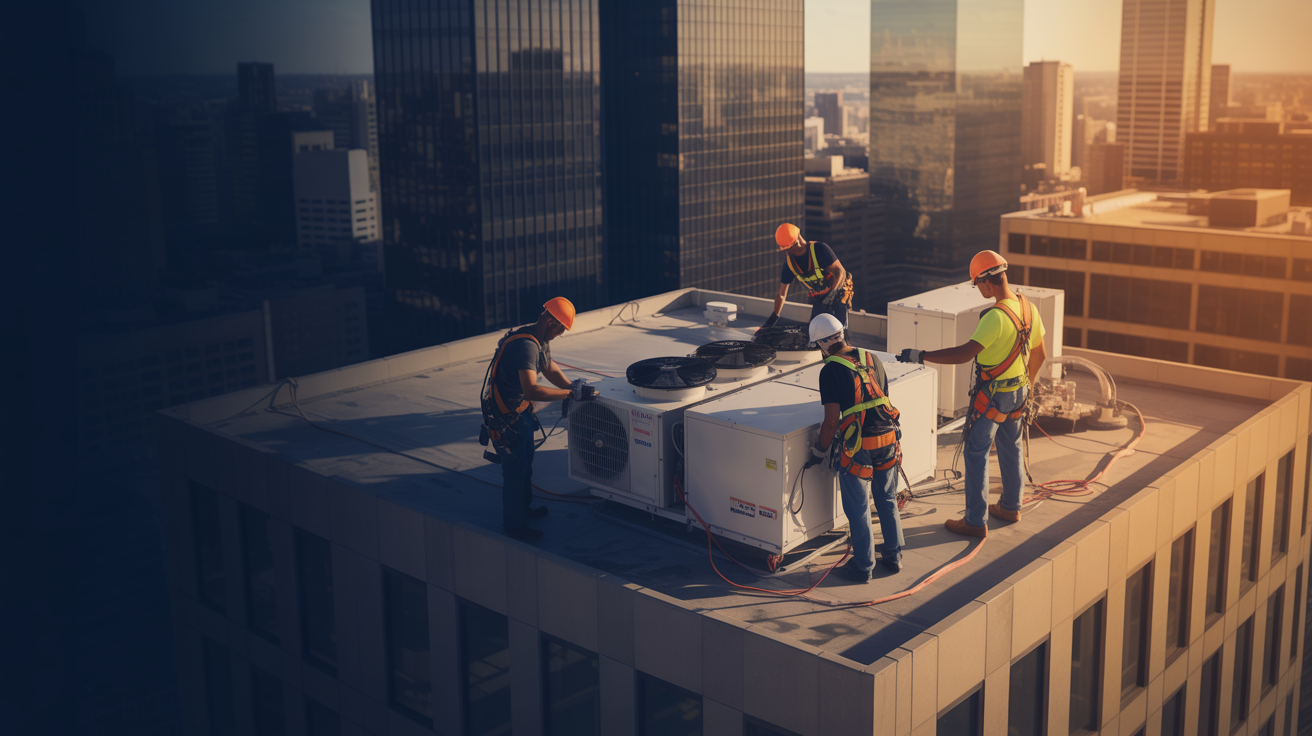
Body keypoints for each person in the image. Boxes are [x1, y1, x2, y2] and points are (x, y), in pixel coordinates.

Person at [896, 250, 1046, 538]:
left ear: (988, 282)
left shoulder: (996, 317)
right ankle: (1011, 506)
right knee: (1011, 445)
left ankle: (975, 522)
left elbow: (964, 354)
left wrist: (921, 354)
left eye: (977, 285)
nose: (978, 290)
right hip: (1019, 389)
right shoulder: (1028, 307)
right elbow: (1040, 353)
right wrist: (1027, 386)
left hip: (994, 395)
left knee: (976, 453)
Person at [480, 297, 597, 542]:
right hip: (507, 418)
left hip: (519, 414)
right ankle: (514, 525)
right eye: (561, 329)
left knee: (525, 465)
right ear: (551, 322)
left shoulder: (537, 339)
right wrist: (569, 394)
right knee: (514, 472)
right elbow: (532, 389)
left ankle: (524, 510)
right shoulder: (526, 346)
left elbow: (548, 366)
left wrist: (572, 385)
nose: (560, 334)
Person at [805, 313, 905, 580]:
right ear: (842, 333)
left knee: (859, 507)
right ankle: (894, 556)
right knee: (886, 499)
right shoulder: (872, 357)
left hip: (858, 446)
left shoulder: (829, 371)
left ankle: (864, 566)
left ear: (821, 344)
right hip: (887, 438)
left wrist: (819, 451)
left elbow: (830, 422)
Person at [760, 223, 853, 332]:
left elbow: (840, 272)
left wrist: (830, 296)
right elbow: (781, 294)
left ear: (797, 240)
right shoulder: (790, 264)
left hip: (839, 293)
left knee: (839, 331)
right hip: (819, 298)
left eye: (791, 247)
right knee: (814, 332)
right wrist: (773, 318)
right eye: (787, 249)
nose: (790, 251)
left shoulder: (820, 249)